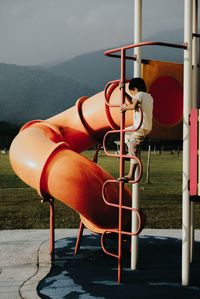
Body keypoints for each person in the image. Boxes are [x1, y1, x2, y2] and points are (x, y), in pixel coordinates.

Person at [118, 77, 153, 182]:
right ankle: (129, 151)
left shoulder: (139, 95)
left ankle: (130, 174)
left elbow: (132, 105)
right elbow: (134, 103)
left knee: (134, 149)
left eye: (132, 93)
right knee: (124, 132)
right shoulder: (149, 97)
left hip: (139, 128)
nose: (133, 95)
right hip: (144, 127)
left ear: (136, 89)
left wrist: (124, 107)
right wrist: (123, 92)